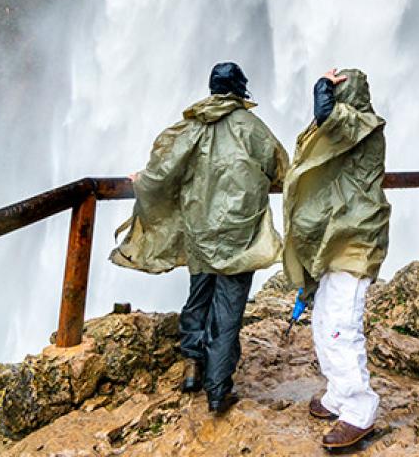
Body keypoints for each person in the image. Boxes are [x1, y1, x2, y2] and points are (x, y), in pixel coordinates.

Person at [109, 62, 288, 414]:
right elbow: (279, 167)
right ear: (240, 90)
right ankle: (218, 390)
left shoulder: (191, 127)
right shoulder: (253, 129)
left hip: (200, 230)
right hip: (239, 233)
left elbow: (162, 170)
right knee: (228, 309)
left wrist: (141, 180)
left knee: (199, 295)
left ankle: (193, 366)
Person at [282, 68, 390, 450]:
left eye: (341, 87)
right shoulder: (344, 131)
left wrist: (322, 88)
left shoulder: (363, 125)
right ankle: (338, 395)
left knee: (341, 325)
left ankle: (360, 409)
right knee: (325, 318)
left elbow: (331, 116)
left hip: (356, 240)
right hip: (335, 238)